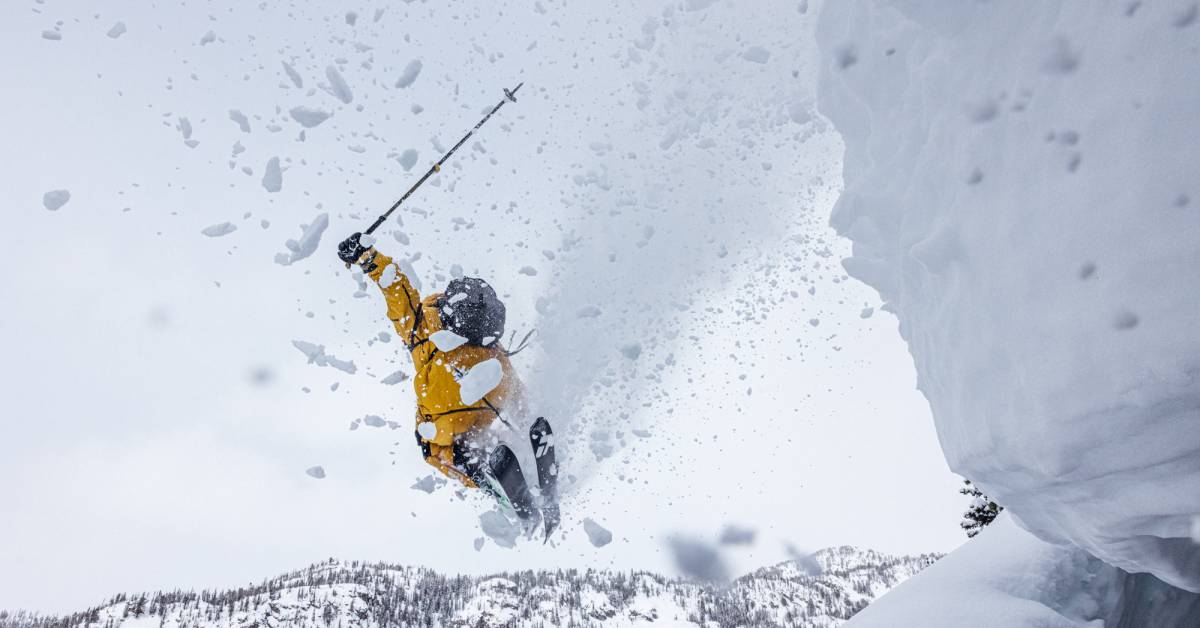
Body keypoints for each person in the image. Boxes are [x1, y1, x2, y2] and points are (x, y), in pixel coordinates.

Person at [337, 232, 530, 502]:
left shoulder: (422, 323)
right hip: (495, 387)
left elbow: (396, 289)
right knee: (483, 430)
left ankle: (485, 479)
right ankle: (520, 460)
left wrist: (366, 257)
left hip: (447, 402)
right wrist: (529, 415)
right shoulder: (488, 340)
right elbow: (517, 391)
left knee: (435, 449)